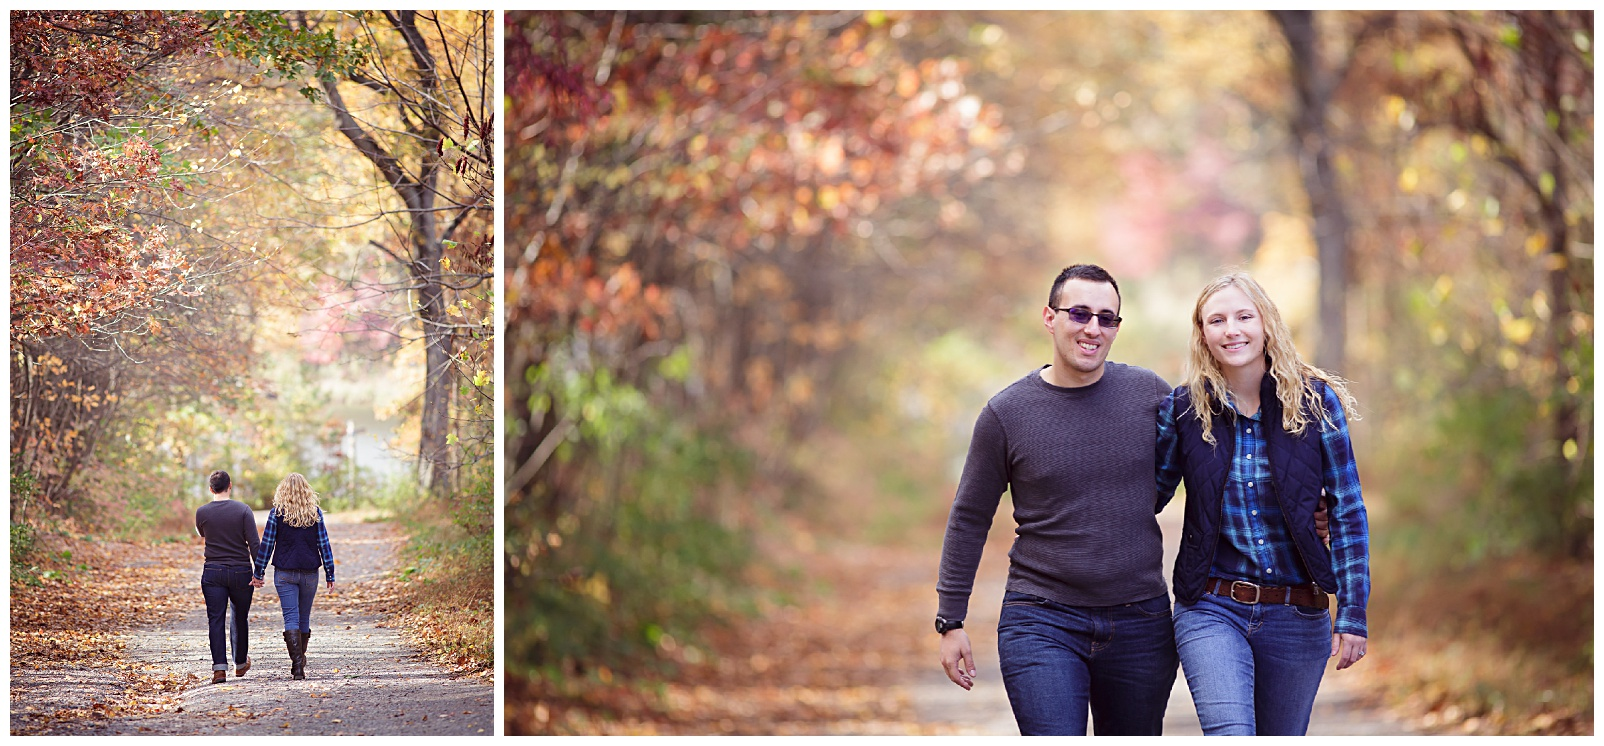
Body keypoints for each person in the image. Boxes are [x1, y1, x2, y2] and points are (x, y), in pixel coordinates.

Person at [935, 264, 1179, 735]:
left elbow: (1215, 467)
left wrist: (1306, 510)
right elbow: (969, 518)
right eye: (1080, 313)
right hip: (1041, 620)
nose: (1093, 328)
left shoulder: (1149, 394)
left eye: (1107, 318)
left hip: (1141, 623)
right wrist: (951, 619)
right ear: (1050, 317)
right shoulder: (1006, 414)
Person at [1156, 271, 1370, 735]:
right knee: (1229, 733)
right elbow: (1147, 495)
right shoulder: (1185, 409)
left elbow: (1347, 511)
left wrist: (1353, 612)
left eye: (1243, 316)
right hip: (1211, 606)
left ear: (1266, 323)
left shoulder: (1315, 403)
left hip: (1297, 612)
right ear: (1203, 335)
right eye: (1217, 320)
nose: (1231, 329)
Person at [251, 473, 337, 680]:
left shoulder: (276, 514)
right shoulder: (314, 513)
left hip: (284, 573)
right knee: (304, 617)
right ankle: (300, 661)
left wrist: (259, 572)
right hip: (309, 573)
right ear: (307, 491)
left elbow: (267, 544)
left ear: (283, 491)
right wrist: (330, 573)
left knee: (291, 617)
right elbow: (323, 544)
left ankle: (297, 666)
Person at [195, 469, 260, 684]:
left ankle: (219, 669)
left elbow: (202, 534)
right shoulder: (243, 510)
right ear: (230, 485)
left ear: (211, 489)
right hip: (241, 571)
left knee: (216, 619)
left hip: (213, 571)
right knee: (239, 616)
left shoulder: (202, 512)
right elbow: (254, 543)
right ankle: (240, 664)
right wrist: (258, 572)